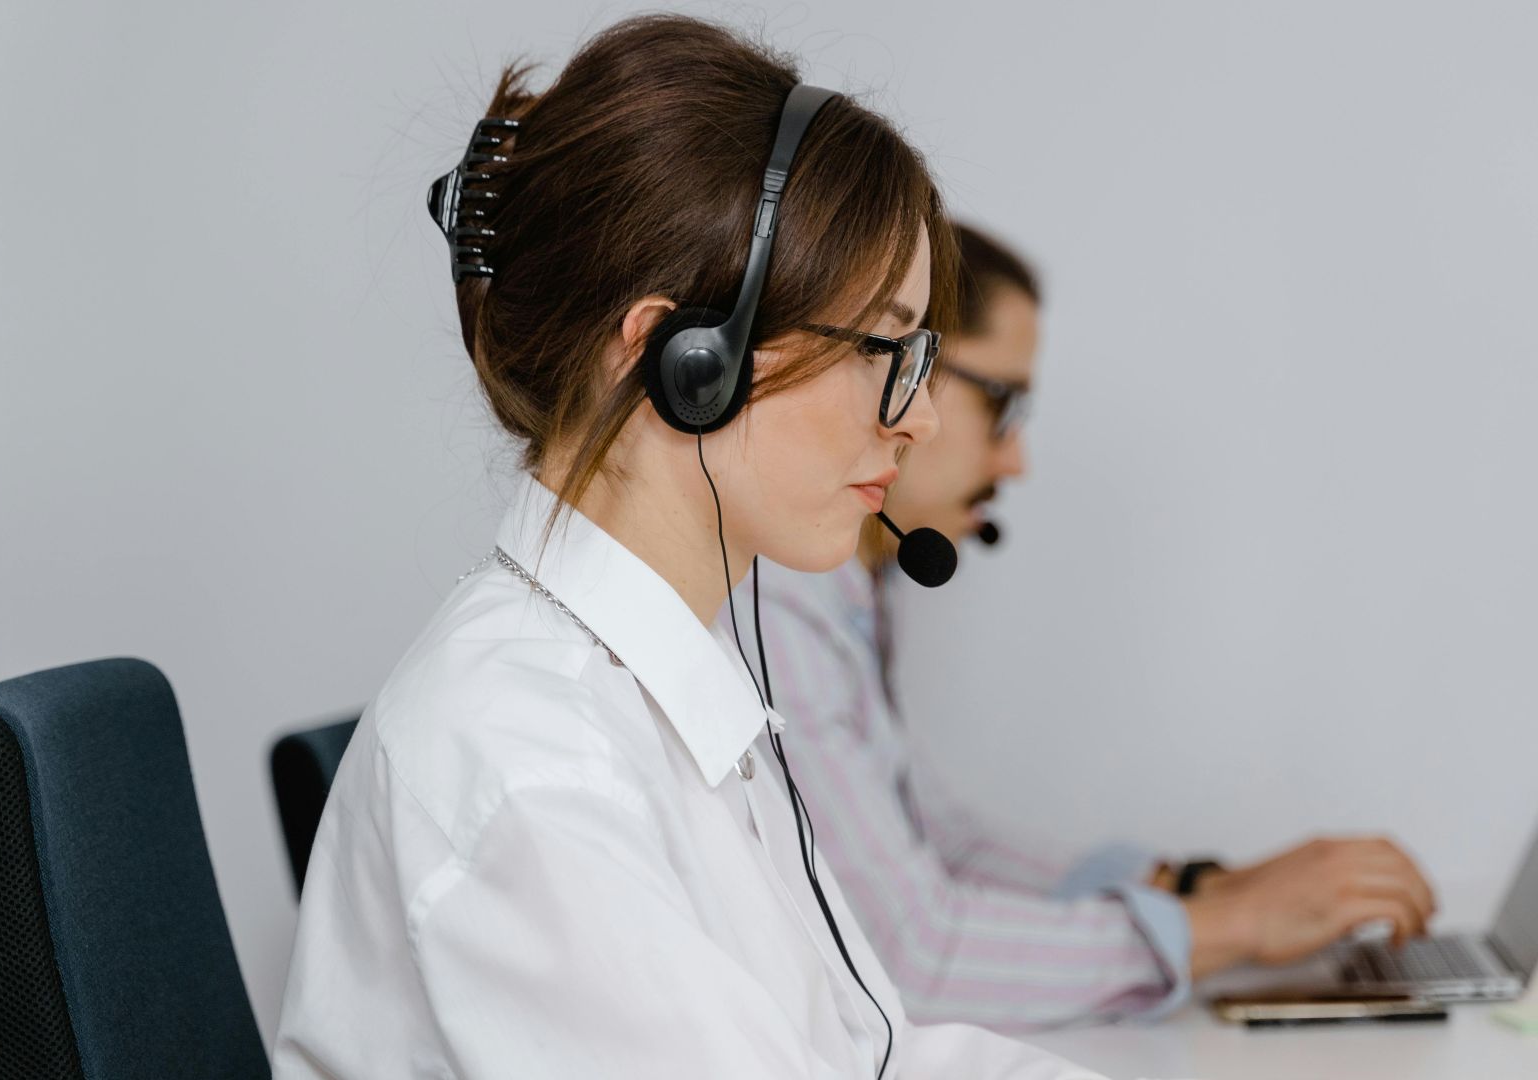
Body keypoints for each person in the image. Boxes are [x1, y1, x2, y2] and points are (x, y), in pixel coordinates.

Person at [273, 18, 1109, 1078]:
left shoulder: (673, 687)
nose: (920, 418)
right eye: (882, 351)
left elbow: (872, 1054)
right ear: (681, 362)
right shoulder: (539, 769)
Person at [736, 224, 1440, 1031]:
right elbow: (911, 957)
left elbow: (940, 841)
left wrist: (1192, 889)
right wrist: (1228, 926)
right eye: (1000, 403)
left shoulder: (841, 595)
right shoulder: (773, 604)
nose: (1015, 461)